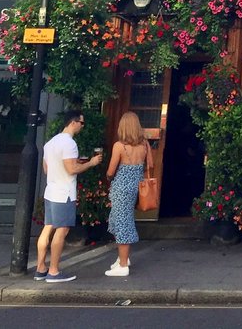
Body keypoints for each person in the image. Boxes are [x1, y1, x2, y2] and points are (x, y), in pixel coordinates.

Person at [34, 109, 103, 283]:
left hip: (51, 191)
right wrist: (90, 163)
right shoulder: (69, 144)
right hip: (64, 193)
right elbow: (71, 169)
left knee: (48, 227)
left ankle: (40, 268)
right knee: (62, 230)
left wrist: (73, 164)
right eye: (82, 122)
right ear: (73, 122)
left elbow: (46, 169)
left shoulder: (50, 143)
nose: (82, 125)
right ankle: (54, 271)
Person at [104, 111, 153, 277]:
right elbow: (150, 165)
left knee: (123, 222)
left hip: (121, 187)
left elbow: (111, 171)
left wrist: (108, 177)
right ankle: (122, 258)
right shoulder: (145, 144)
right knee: (122, 218)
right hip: (135, 187)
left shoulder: (119, 146)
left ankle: (123, 265)